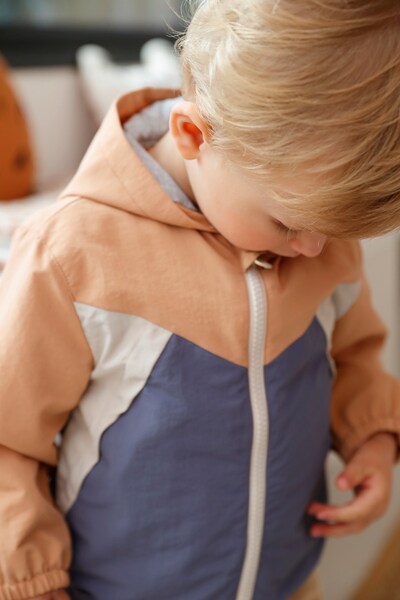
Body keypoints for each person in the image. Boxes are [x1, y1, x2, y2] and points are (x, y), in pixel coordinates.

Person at [1, 1, 400, 599]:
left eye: (331, 228)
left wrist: (372, 438)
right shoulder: (71, 256)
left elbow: (354, 353)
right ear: (193, 136)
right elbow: (9, 441)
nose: (317, 248)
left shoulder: (315, 231)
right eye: (289, 224)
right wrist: (31, 579)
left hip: (290, 581)